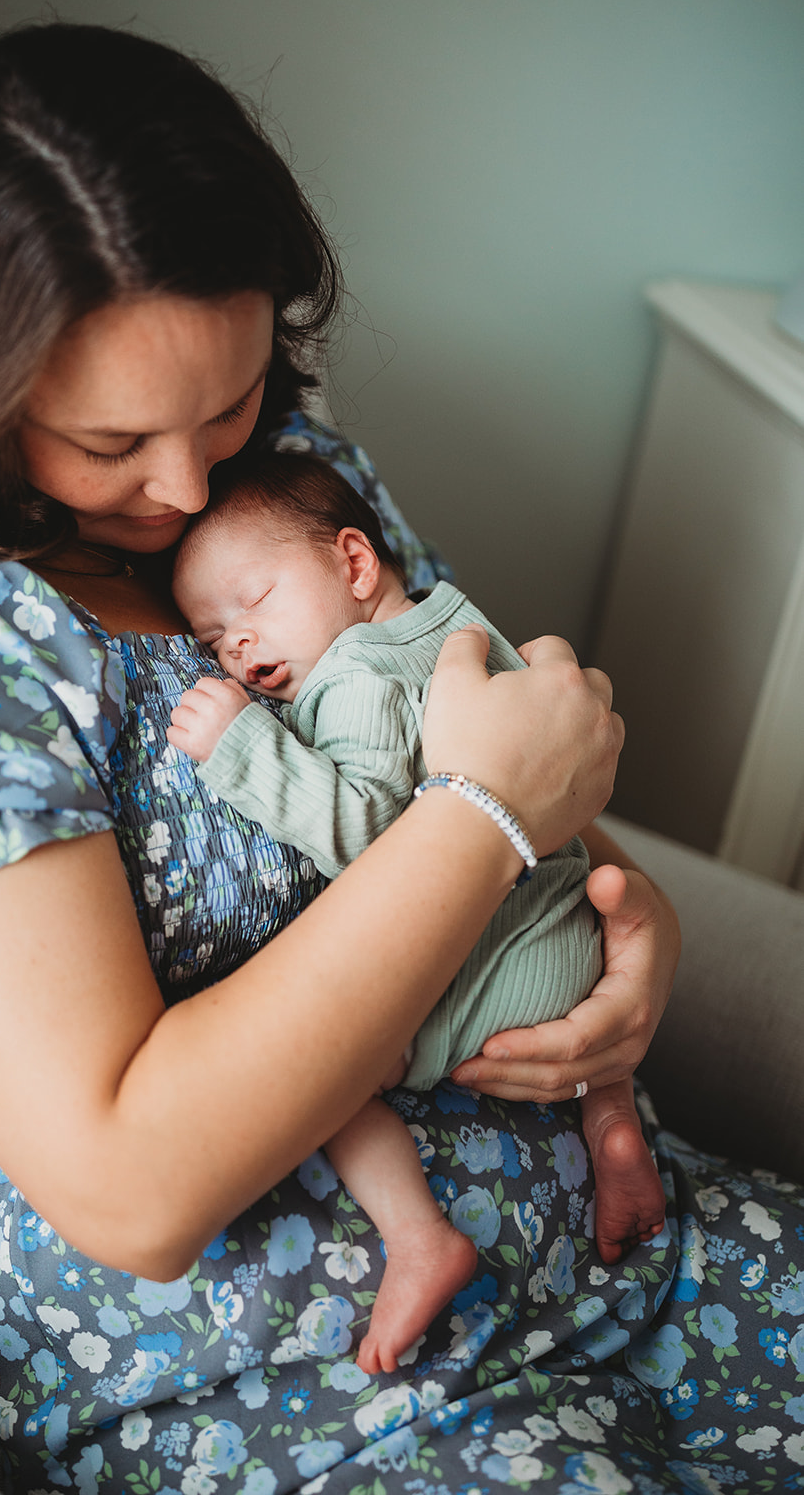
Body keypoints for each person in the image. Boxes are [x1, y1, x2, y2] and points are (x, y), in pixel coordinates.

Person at [0, 23, 799, 1495]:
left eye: (226, 401)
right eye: (111, 441)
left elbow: (502, 763)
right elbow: (129, 1183)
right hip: (298, 1363)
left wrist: (634, 934)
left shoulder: (292, 489)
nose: (183, 488)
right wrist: (487, 815)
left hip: (618, 1246)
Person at [167, 453, 666, 1376]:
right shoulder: (455, 624)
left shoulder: (355, 679)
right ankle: (609, 1126)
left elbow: (378, 843)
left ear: (355, 564)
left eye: (253, 604)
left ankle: (419, 1236)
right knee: (582, 1045)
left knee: (326, 1072)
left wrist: (241, 750)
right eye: (211, 641)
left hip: (497, 960)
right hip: (576, 939)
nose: (235, 647)